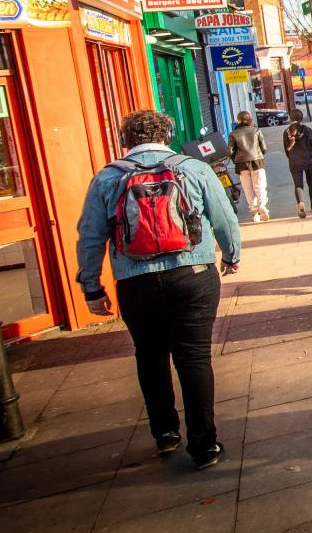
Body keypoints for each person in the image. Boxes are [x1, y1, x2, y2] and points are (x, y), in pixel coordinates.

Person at [76, 110, 241, 469]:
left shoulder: (107, 178)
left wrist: (92, 287)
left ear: (127, 139)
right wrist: (231, 255)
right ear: (166, 134)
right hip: (193, 274)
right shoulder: (194, 168)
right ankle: (204, 445)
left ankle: (165, 433)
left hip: (136, 283)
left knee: (149, 356)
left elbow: (90, 237)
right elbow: (224, 216)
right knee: (193, 357)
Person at [229, 111, 268, 222]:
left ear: (239, 121)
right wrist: (260, 156)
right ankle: (262, 205)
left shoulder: (233, 133)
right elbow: (264, 148)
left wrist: (235, 160)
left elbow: (229, 151)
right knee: (260, 185)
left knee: (247, 188)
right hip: (257, 161)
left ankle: (255, 212)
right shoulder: (256, 130)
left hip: (241, 164)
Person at [283, 108, 312, 218]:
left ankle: (300, 203)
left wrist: (291, 157)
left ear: (290, 118)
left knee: (298, 185)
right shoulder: (308, 130)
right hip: (308, 160)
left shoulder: (286, 132)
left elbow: (286, 149)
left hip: (295, 161)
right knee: (311, 181)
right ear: (301, 118)